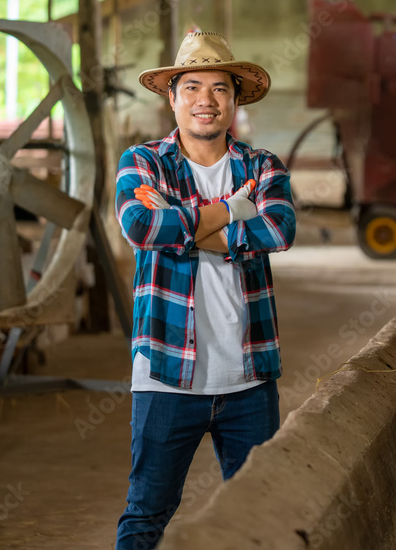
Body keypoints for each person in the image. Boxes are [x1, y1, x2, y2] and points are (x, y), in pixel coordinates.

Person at [113, 32, 295, 550]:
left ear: (235, 100)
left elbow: (279, 230)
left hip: (248, 378)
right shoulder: (143, 162)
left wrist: (184, 225)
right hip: (167, 376)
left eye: (220, 88)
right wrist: (235, 212)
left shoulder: (261, 166)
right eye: (191, 86)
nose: (205, 100)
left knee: (261, 517)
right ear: (172, 97)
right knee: (146, 514)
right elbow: (142, 227)